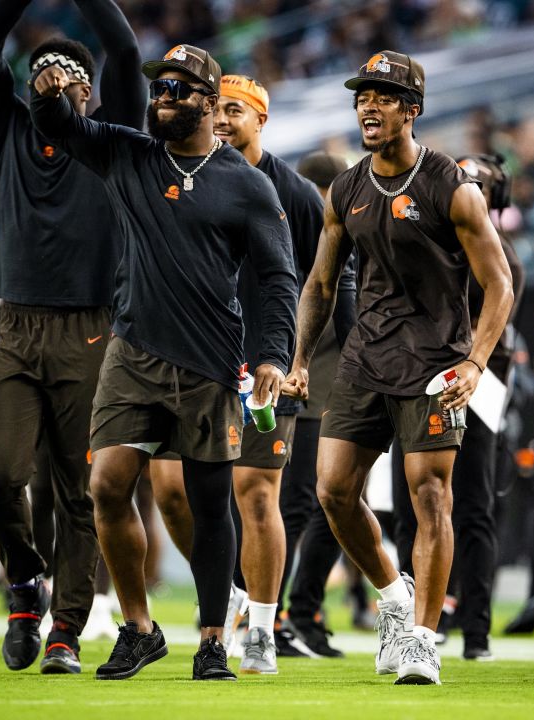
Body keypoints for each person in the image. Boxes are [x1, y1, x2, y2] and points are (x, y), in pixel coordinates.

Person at [30, 42, 298, 681]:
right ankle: (139, 627)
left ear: (208, 103)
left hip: (209, 360)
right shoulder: (129, 154)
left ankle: (212, 640)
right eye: (159, 89)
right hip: (131, 352)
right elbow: (63, 128)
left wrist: (273, 354)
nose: (163, 99)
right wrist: (47, 94)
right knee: (106, 485)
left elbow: (278, 276)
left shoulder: (247, 184)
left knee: (209, 504)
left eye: (178, 91)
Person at [281, 50, 515, 685]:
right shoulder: (347, 188)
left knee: (431, 496)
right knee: (332, 490)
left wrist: (474, 363)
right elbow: (321, 285)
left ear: (412, 109)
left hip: (437, 361)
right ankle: (392, 597)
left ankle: (421, 639)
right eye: (363, 95)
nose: (368, 104)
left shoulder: (453, 188)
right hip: (366, 357)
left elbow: (499, 285)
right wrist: (299, 360)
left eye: (384, 95)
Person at [145, 74, 354, 674]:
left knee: (257, 493)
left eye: (236, 110)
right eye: (218, 109)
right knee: (170, 490)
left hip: (263, 360)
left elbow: (327, 279)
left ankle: (262, 624)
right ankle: (227, 588)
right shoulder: (182, 172)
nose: (225, 119)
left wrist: (306, 358)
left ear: (262, 119)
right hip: (190, 358)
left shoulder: (295, 193)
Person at [0, 0, 145, 674]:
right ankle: (21, 586)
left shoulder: (109, 138)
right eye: (41, 68)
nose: (52, 78)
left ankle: (66, 630)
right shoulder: (4, 128)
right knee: (0, 475)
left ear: (89, 92)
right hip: (14, 326)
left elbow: (125, 53)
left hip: (91, 330)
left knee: (80, 492)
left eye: (68, 72)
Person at [389, 153, 524, 660]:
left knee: (472, 507)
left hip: (480, 383)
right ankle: (424, 616)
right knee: (413, 504)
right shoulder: (429, 243)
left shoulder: (503, 255)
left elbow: (490, 311)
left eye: (477, 185)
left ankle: (477, 630)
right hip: (422, 378)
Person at [275, 151, 359, 660]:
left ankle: (300, 611)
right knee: (303, 504)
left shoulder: (342, 233)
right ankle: (282, 612)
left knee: (326, 504)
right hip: (312, 386)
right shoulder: (314, 231)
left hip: (328, 384)